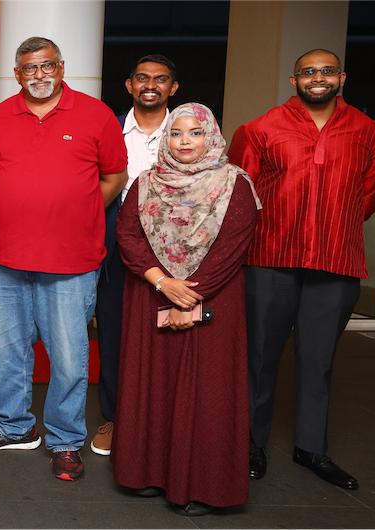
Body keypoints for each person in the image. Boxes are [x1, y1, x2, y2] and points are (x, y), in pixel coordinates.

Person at [0, 37, 127, 483]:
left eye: (47, 66)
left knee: (70, 359)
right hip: (6, 260)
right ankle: (15, 427)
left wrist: (81, 210)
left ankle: (65, 441)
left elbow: (114, 174)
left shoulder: (95, 115)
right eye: (29, 69)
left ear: (62, 67)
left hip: (72, 262)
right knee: (6, 352)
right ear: (16, 75)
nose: (39, 75)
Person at [231, 49, 375, 491]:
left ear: (341, 77)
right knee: (259, 359)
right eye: (308, 72)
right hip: (268, 260)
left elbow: (372, 192)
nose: (317, 78)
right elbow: (240, 193)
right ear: (293, 79)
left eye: (326, 71)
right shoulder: (260, 128)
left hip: (336, 260)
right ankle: (249, 445)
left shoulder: (367, 132)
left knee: (318, 361)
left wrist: (332, 227)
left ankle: (310, 449)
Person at [112, 102, 259, 517]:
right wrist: (162, 281)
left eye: (194, 133)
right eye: (176, 133)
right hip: (151, 290)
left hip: (214, 296)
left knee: (207, 391)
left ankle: (202, 485)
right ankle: (148, 473)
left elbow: (233, 245)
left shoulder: (236, 183)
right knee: (152, 384)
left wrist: (187, 295)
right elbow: (128, 234)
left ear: (210, 135)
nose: (184, 142)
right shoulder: (146, 181)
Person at [92, 54, 179, 457]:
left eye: (160, 79)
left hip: (172, 245)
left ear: (172, 88)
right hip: (114, 241)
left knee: (167, 332)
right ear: (129, 85)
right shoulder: (107, 127)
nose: (151, 85)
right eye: (142, 78)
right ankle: (114, 417)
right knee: (113, 331)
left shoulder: (186, 129)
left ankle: (162, 421)